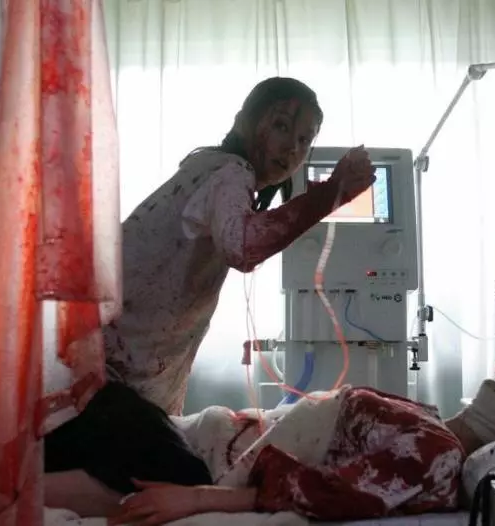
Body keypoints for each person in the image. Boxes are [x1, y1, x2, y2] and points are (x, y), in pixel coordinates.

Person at [102, 76, 376, 415]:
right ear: (244, 122)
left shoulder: (208, 167)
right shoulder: (230, 172)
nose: (293, 147)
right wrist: (332, 193)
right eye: (281, 126)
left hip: (116, 366)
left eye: (304, 139)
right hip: (109, 370)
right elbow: (242, 247)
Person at [44, 378, 495, 524]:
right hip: (205, 435)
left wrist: (195, 499)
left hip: (199, 465)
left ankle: (4, 491)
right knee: (111, 410)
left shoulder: (441, 455)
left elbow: (328, 492)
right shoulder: (430, 421)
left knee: (115, 428)